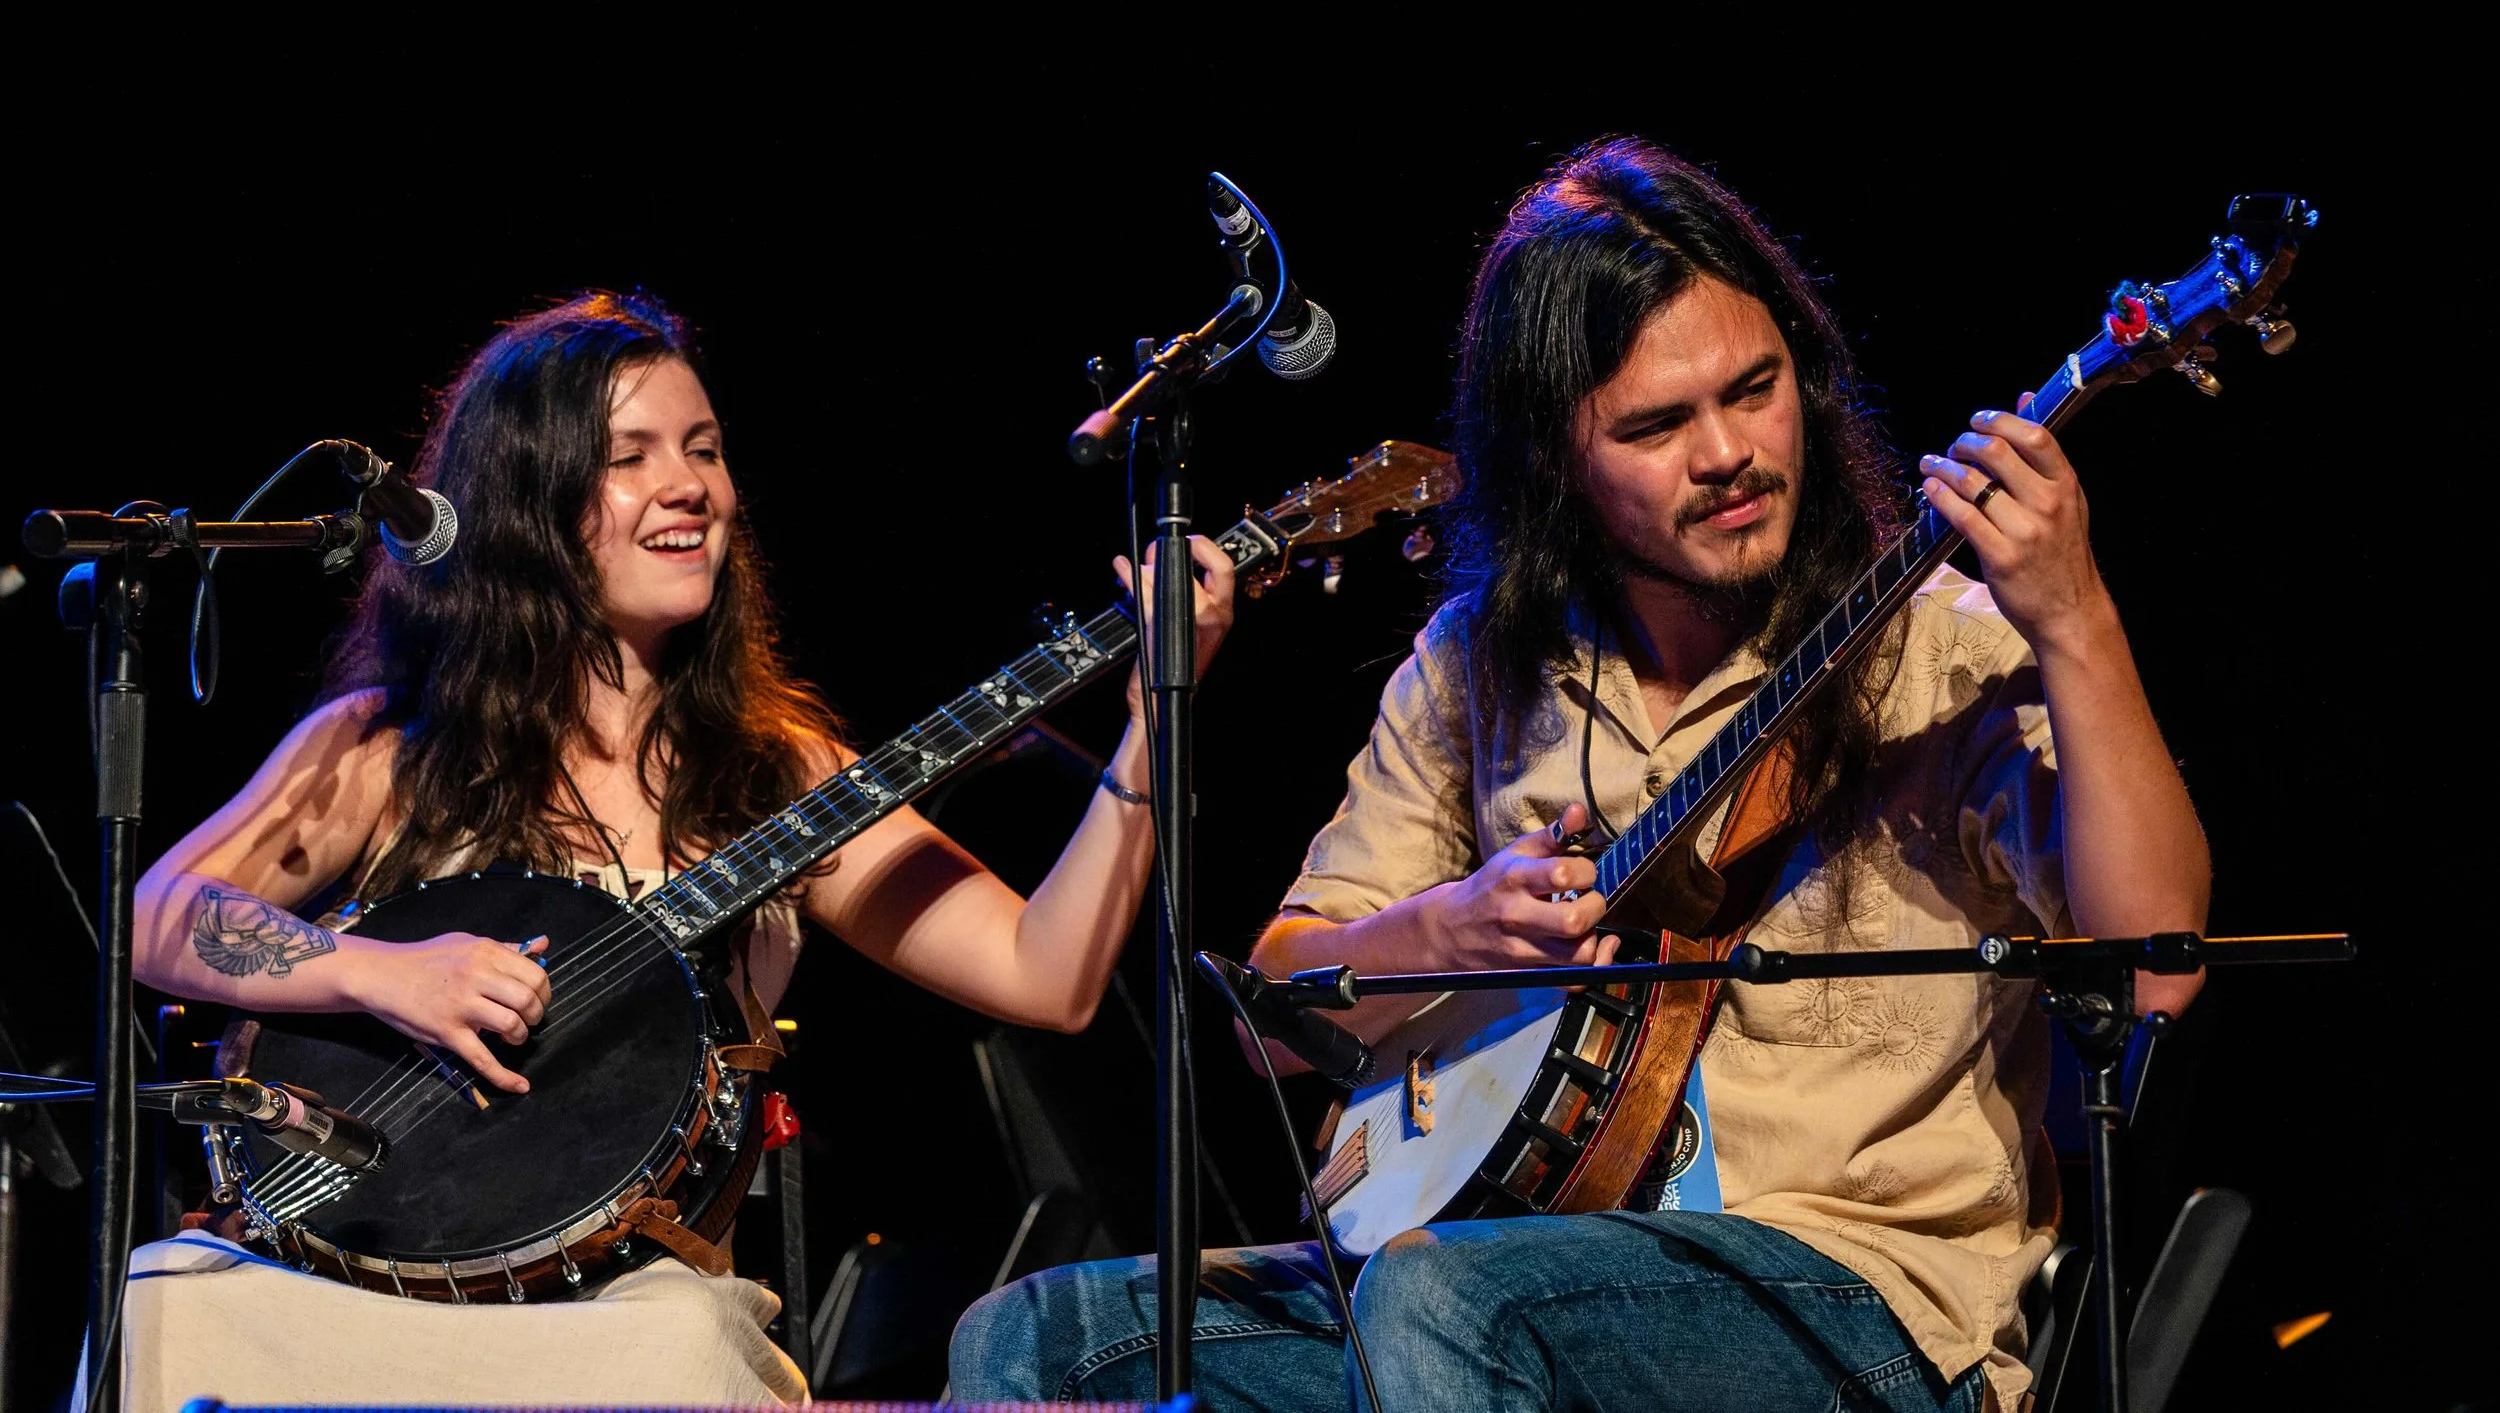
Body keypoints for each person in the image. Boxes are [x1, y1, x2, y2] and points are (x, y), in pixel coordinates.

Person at [951, 138, 2209, 1412]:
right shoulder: (1480, 667)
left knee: (1444, 1294)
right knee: (1042, 1333)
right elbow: (1272, 1015)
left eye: (1754, 388)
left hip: (1852, 1298)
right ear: (1554, 459)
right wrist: (1443, 929)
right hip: (1496, 1271)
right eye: (1657, 425)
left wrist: (2076, 621)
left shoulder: (1933, 650)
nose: (1727, 451)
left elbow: (2156, 961)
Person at [107, 290, 1233, 1408]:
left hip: (630, 1307)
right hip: (364, 1283)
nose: (689, 484)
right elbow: (156, 912)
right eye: (630, 456)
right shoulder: (386, 747)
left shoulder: (775, 774)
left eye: (703, 448)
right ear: (527, 500)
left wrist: (1154, 716)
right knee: (165, 1303)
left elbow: (1049, 971)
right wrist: (378, 969)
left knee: (678, 1355)